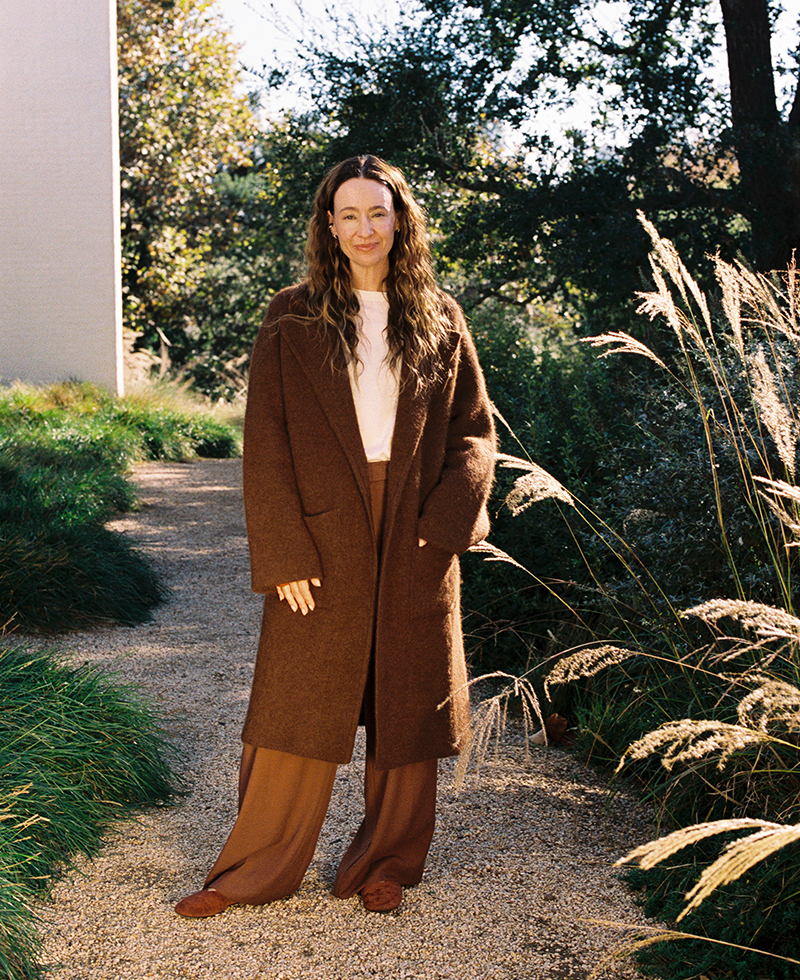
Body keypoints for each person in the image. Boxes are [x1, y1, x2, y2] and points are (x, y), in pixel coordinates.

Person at [175, 154, 496, 917]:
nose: (363, 229)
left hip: (415, 524)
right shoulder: (291, 314)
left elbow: (473, 434)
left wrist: (447, 527)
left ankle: (386, 863)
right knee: (296, 703)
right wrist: (282, 548)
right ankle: (251, 872)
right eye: (347, 215)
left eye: (377, 214)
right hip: (322, 529)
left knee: (407, 703)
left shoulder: (441, 315)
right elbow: (268, 438)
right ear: (328, 223)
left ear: (399, 220)